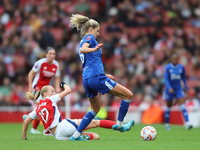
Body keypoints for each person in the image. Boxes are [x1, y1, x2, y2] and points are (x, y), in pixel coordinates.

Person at [69, 14, 134, 141]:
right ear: (91, 28)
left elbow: (89, 61)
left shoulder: (82, 40)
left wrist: (104, 74)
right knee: (128, 95)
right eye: (97, 30)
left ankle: (75, 136)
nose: (98, 34)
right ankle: (120, 125)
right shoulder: (90, 37)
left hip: (87, 79)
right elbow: (83, 50)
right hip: (96, 78)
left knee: (95, 109)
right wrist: (94, 48)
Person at [22, 83, 135, 140]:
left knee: (96, 136)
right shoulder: (50, 99)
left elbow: (26, 121)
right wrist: (63, 84)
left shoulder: (37, 108)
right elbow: (68, 90)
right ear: (45, 94)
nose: (54, 92)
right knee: (95, 122)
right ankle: (122, 126)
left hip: (58, 136)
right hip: (63, 126)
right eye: (52, 91)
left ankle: (79, 138)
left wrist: (24, 138)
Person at [23, 47, 61, 134]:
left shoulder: (56, 65)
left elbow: (57, 77)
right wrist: (30, 87)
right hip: (37, 87)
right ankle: (32, 122)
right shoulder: (40, 63)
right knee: (43, 107)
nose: (52, 55)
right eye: (50, 53)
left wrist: (57, 87)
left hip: (46, 89)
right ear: (46, 55)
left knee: (43, 108)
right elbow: (31, 73)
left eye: (53, 54)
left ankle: (31, 121)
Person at [163, 53, 192, 130]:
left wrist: (186, 86)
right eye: (173, 58)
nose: (175, 60)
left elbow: (184, 78)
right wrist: (169, 87)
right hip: (169, 90)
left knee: (182, 105)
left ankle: (187, 124)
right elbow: (166, 79)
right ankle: (167, 124)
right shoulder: (168, 67)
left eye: (176, 58)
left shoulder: (181, 67)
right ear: (171, 59)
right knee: (169, 107)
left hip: (178, 89)